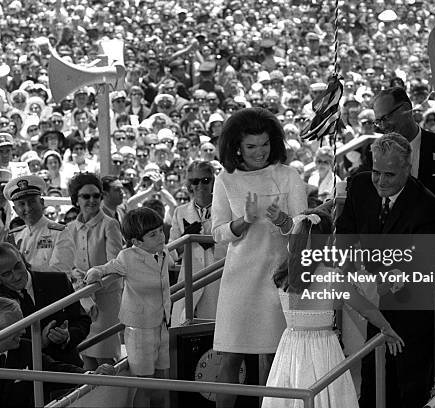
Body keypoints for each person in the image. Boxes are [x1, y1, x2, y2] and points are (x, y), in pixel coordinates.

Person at [335, 133, 435, 408]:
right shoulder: (359, 185)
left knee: (408, 387)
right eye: (376, 172)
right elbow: (346, 231)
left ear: (407, 169)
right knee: (372, 383)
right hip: (371, 302)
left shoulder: (428, 206)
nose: (380, 182)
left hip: (412, 309)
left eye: (390, 175)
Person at [211, 108, 307, 407]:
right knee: (229, 357)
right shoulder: (225, 179)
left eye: (264, 144)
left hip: (278, 277)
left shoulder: (288, 175)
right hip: (238, 279)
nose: (259, 152)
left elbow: (303, 227)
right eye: (251, 146)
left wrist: (281, 221)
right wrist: (245, 220)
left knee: (274, 357)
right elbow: (218, 232)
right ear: (236, 146)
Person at [262, 210, 404, 408]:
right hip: (323, 348)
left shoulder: (283, 276)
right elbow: (365, 309)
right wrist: (386, 328)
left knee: (291, 392)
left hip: (291, 345)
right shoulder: (332, 277)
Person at [0, 296, 113, 408]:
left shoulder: (25, 349)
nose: (23, 332)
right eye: (14, 328)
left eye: (23, 325)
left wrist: (90, 374)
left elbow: (55, 370)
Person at [84, 207, 172, 407]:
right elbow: (107, 267)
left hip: (163, 323)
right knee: (144, 384)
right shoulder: (128, 257)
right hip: (140, 328)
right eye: (153, 234)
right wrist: (95, 273)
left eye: (160, 230)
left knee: (161, 381)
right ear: (136, 242)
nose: (160, 236)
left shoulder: (163, 252)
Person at [0, 243, 91, 368]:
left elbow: (82, 320)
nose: (16, 276)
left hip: (69, 368)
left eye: (18, 267)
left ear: (23, 259)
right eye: (7, 274)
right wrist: (39, 343)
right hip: (26, 377)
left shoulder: (58, 282)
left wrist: (68, 336)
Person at [372, 87, 435, 233]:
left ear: (406, 109)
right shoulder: (375, 152)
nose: (383, 126)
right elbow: (354, 190)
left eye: (386, 118)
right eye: (378, 121)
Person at [66, 173, 124, 370]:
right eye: (86, 196)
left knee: (105, 358)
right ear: (76, 199)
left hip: (106, 300)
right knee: (86, 357)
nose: (92, 200)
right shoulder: (69, 229)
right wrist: (76, 279)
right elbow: (66, 264)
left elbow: (115, 264)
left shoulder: (110, 224)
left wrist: (93, 280)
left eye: (96, 196)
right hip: (80, 300)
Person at [170, 161, 224, 325]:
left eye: (205, 180)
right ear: (189, 185)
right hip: (189, 279)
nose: (200, 185)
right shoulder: (180, 212)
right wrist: (185, 238)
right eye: (195, 181)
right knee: (183, 329)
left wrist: (210, 242)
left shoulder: (225, 208)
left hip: (217, 280)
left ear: (213, 181)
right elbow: (172, 252)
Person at [3, 174, 75, 273]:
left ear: (41, 203)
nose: (28, 208)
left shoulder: (60, 232)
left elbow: (61, 271)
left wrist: (25, 267)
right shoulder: (13, 236)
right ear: (15, 210)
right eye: (22, 204)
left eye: (32, 202)